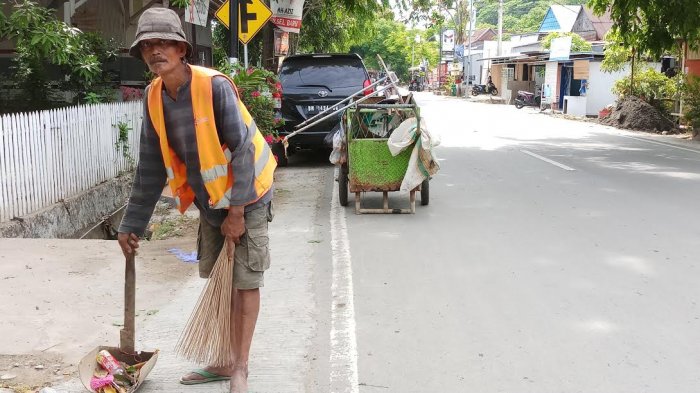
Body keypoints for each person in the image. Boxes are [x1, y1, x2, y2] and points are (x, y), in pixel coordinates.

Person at [116, 7, 276, 393]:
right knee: (218, 278)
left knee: (243, 281)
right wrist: (131, 225)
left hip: (247, 194)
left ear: (182, 48)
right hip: (210, 200)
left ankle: (240, 366)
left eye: (165, 42)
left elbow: (240, 151)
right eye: (148, 44)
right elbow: (151, 167)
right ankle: (222, 361)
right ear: (141, 53)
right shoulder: (154, 97)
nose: (157, 50)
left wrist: (237, 212)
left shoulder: (213, 86)